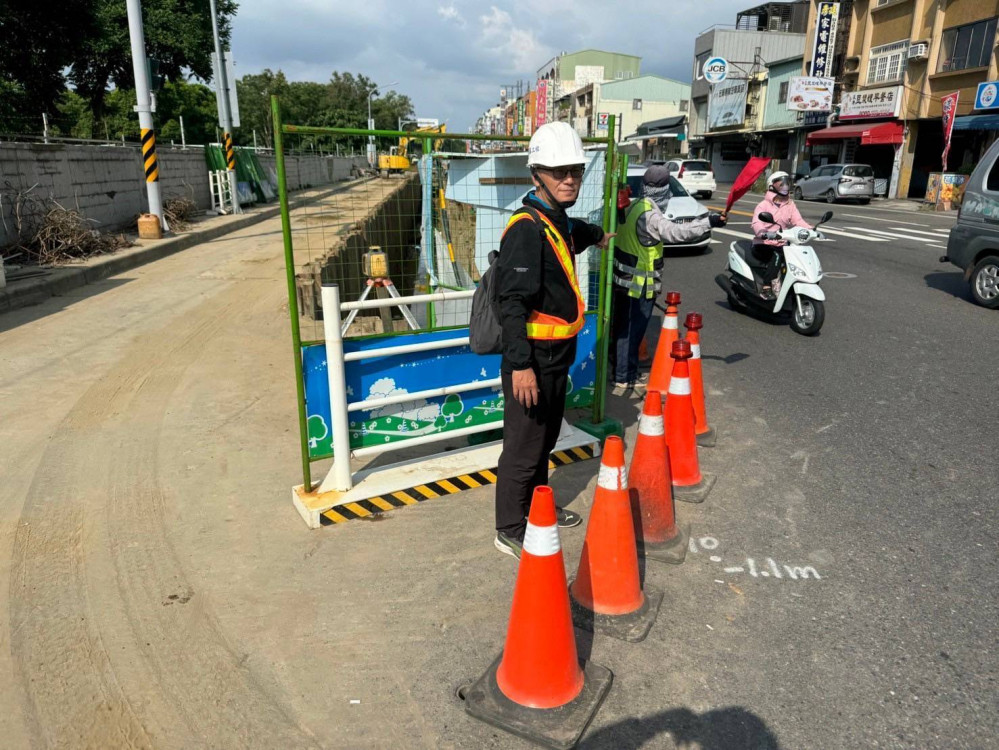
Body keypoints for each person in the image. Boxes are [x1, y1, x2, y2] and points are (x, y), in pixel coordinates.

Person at [493, 121, 615, 558]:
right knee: (524, 449)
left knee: (545, 442)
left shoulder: (555, 218)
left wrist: (600, 235)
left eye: (575, 171)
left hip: (557, 357)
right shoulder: (527, 228)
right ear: (536, 175)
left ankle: (539, 509)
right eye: (559, 172)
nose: (569, 179)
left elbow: (574, 232)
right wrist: (521, 365)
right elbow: (510, 305)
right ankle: (509, 526)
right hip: (532, 361)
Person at [610, 165, 726, 394]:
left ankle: (620, 369)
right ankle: (624, 376)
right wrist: (708, 223)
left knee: (623, 328)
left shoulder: (634, 206)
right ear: (663, 191)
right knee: (632, 331)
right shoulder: (650, 216)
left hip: (623, 281)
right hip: (639, 285)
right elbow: (675, 233)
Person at [750, 171, 811, 298]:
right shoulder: (763, 205)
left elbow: (798, 221)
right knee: (776, 255)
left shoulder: (790, 205)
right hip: (763, 243)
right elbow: (756, 223)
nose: (785, 187)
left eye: (787, 183)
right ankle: (766, 287)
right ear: (771, 186)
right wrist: (765, 234)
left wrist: (812, 229)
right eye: (781, 184)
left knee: (797, 254)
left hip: (782, 242)